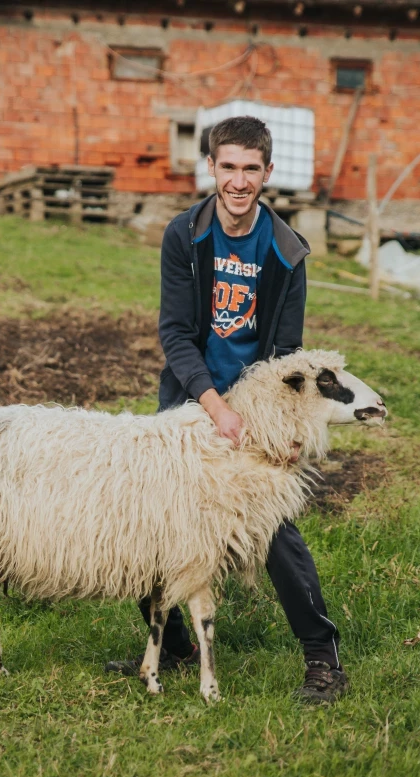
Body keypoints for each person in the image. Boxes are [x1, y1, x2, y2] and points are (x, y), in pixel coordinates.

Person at [105, 116, 348, 704]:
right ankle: (180, 646)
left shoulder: (287, 252)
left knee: (273, 527)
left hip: (257, 401)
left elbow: (287, 353)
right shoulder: (184, 235)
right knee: (153, 519)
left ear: (267, 173)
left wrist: (280, 424)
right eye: (228, 166)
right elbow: (176, 333)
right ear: (211, 167)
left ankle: (323, 658)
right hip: (192, 391)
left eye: (251, 169)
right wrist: (213, 407)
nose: (238, 181)